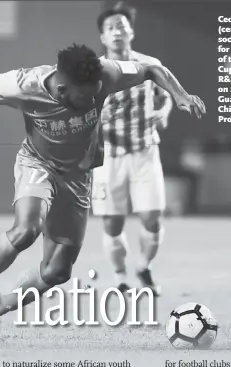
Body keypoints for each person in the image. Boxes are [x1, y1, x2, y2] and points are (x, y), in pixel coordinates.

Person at [0, 43, 205, 348]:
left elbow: (152, 67)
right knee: (26, 229)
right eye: (85, 97)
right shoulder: (22, 85)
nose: (93, 100)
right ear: (61, 90)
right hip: (37, 164)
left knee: (56, 272)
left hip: (78, 179)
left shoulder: (105, 74)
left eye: (96, 92)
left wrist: (180, 95)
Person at [90, 3, 173, 296]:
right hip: (109, 156)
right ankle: (120, 277)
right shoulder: (94, 72)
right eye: (110, 28)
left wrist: (163, 113)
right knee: (112, 223)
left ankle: (143, 266)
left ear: (131, 32)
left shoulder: (149, 65)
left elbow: (167, 97)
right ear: (102, 37)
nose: (117, 32)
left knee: (152, 218)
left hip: (145, 151)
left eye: (122, 26)